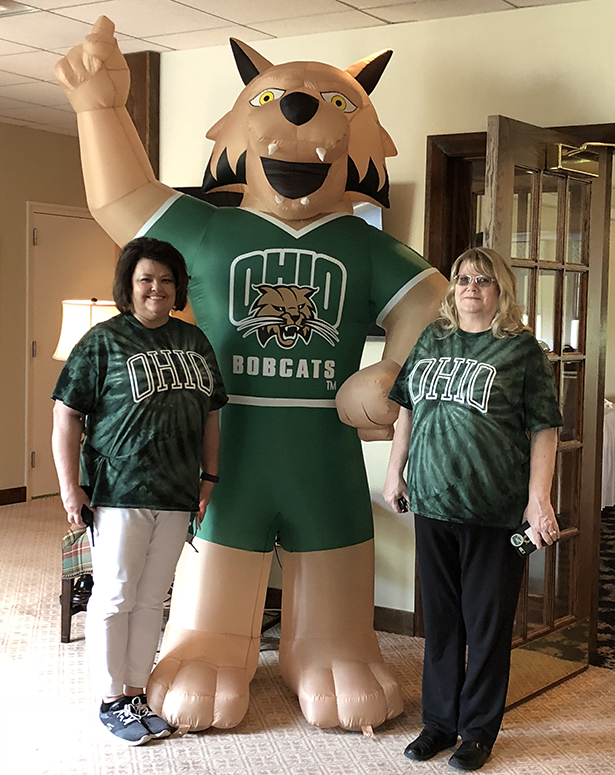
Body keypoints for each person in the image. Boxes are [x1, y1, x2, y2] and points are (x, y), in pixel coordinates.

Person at [383, 247, 562, 771]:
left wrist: (538, 499)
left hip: (494, 506)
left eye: (483, 280)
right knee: (441, 623)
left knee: (485, 625)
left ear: (500, 289)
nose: (470, 287)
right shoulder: (433, 339)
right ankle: (439, 724)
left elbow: (545, 428)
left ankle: (478, 732)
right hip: (433, 500)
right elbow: (407, 408)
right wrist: (396, 472)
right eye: (463, 279)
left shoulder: (522, 350)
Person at [51, 237, 227, 745]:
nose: (157, 288)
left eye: (167, 280)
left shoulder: (193, 343)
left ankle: (135, 690)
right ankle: (110, 699)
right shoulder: (103, 341)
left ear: (178, 288)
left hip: (176, 490)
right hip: (119, 491)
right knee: (114, 595)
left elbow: (211, 414)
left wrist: (208, 477)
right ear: (129, 286)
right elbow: (66, 414)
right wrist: (69, 489)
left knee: (151, 599)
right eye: (146, 279)